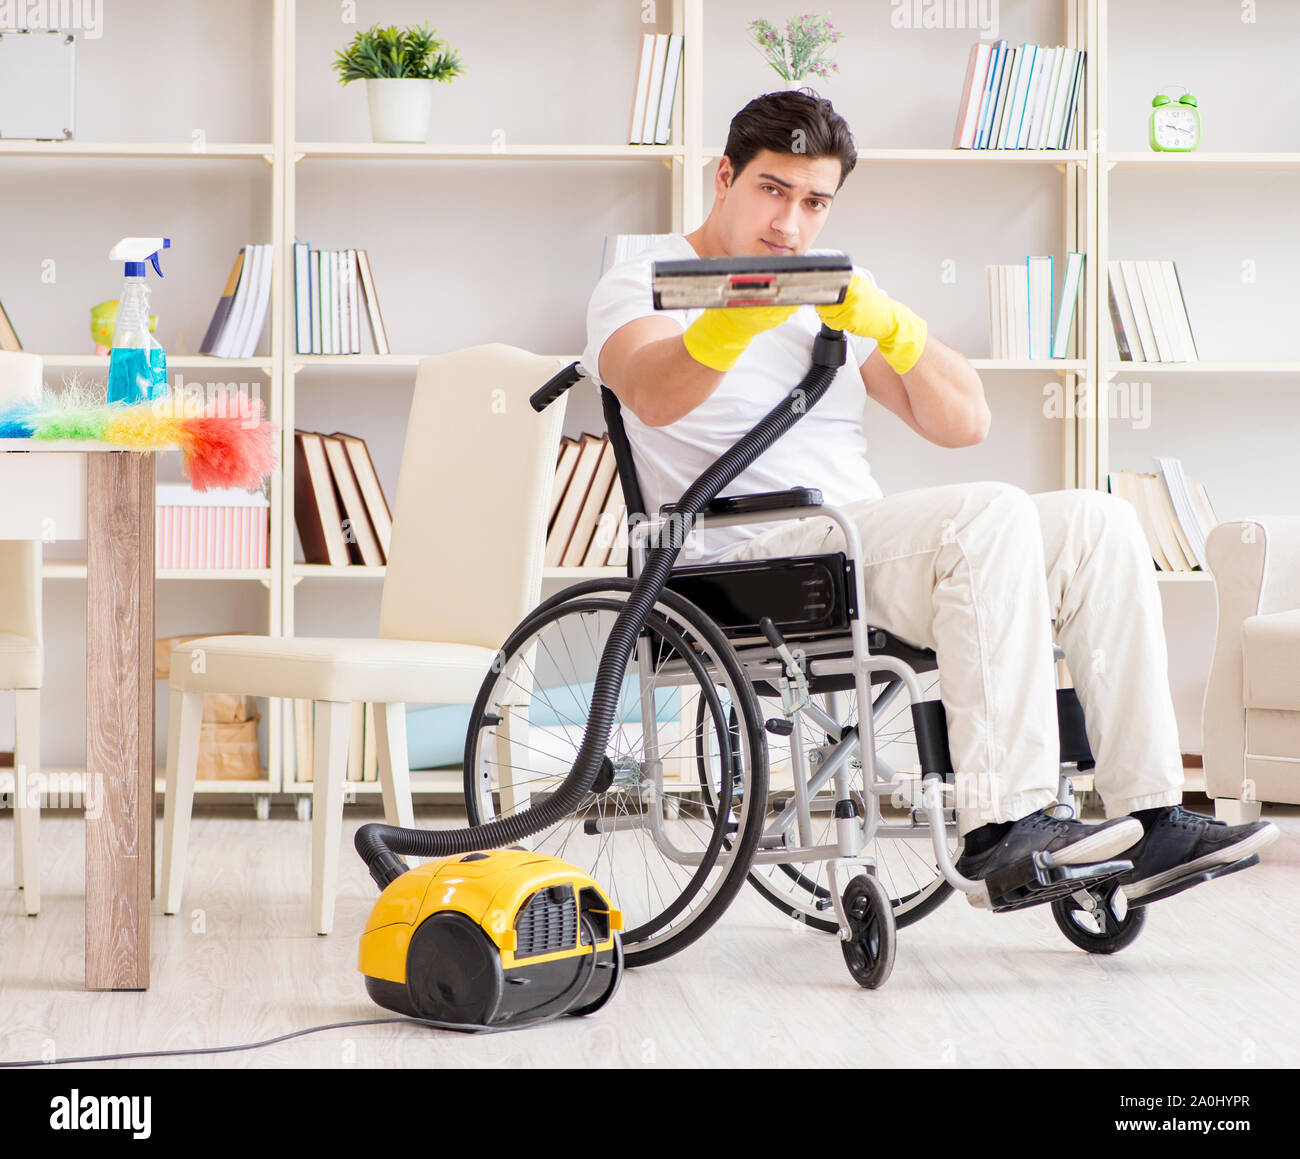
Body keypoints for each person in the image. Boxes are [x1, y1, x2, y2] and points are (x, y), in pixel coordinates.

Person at [581, 88, 1277, 905]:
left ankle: (1153, 814)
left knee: (1100, 520)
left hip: (855, 549)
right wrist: (739, 312)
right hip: (738, 561)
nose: (791, 224)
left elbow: (966, 420)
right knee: (986, 514)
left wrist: (892, 325)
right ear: (724, 175)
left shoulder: (835, 286)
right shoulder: (645, 283)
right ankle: (1004, 829)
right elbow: (654, 393)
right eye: (773, 190)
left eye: (814, 202)